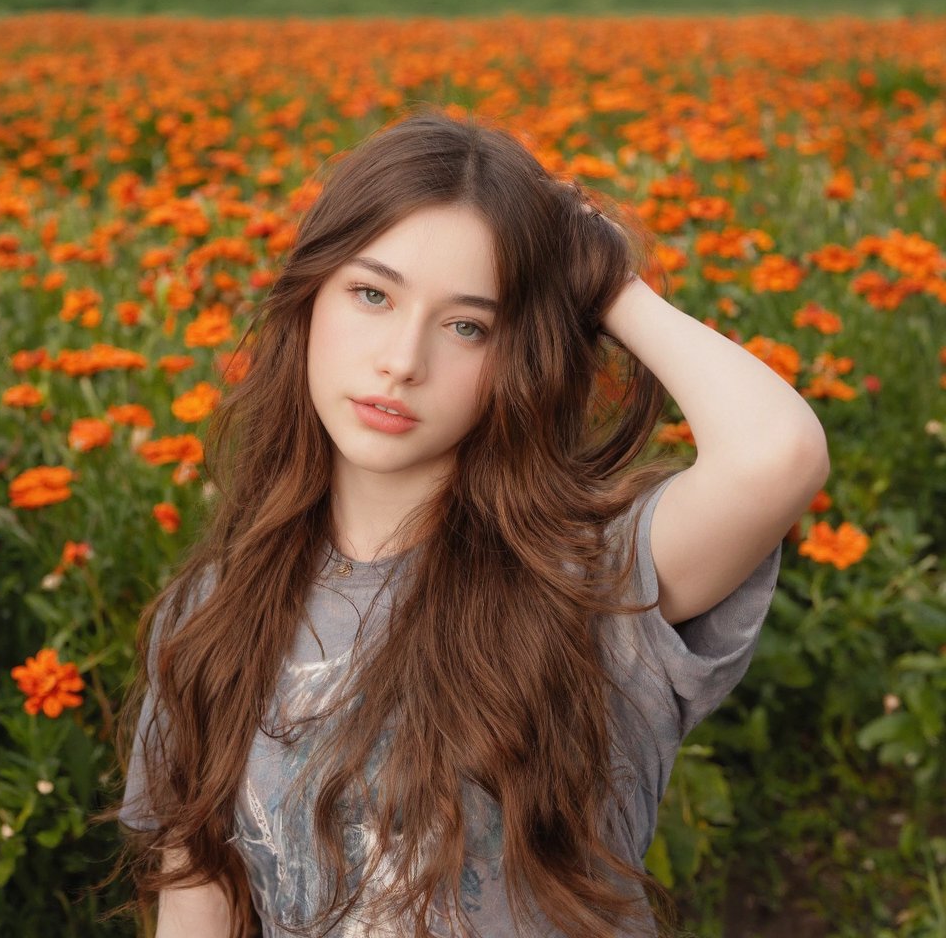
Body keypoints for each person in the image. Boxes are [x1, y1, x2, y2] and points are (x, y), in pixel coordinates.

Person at [109, 108, 830, 938]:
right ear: (309, 300)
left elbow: (777, 455)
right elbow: (199, 900)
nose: (403, 361)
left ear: (519, 354)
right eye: (372, 294)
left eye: (466, 325)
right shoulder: (211, 611)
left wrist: (602, 276)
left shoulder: (589, 578)